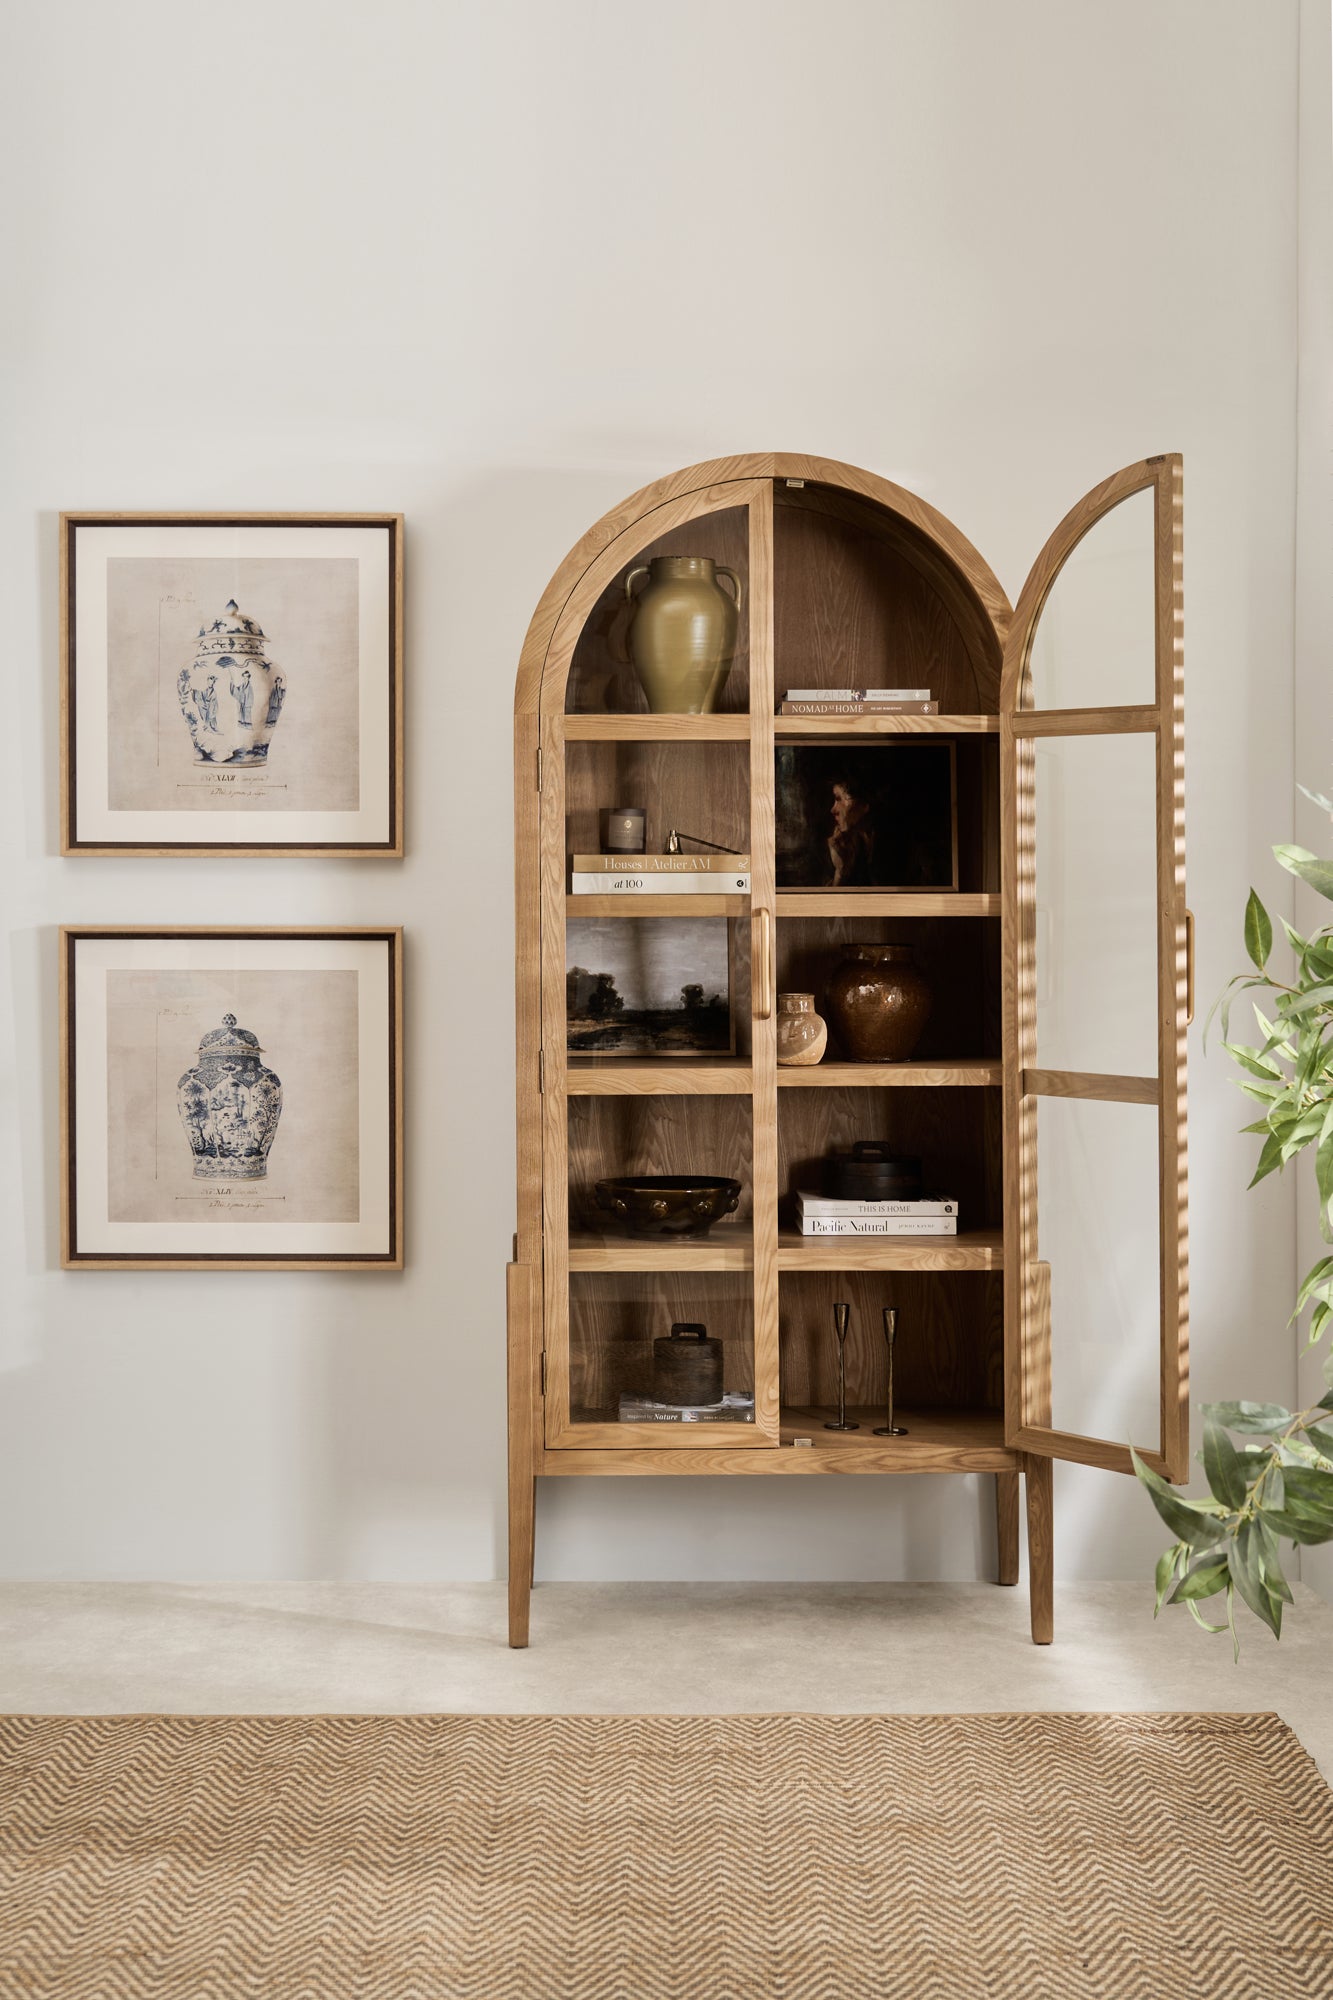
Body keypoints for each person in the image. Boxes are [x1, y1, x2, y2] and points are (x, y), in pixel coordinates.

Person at [827, 773, 876, 886]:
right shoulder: (847, 846)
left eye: (839, 799)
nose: (833, 810)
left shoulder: (893, 848)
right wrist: (840, 871)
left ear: (864, 805)